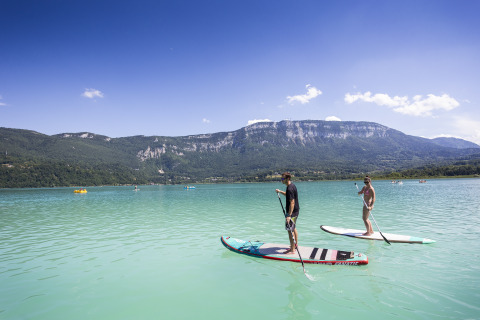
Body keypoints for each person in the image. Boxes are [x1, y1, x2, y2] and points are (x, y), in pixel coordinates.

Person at [275, 172, 300, 254]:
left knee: (290, 230)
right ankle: (295, 245)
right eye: (281, 178)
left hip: (292, 212)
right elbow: (289, 196)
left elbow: (292, 202)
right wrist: (280, 191)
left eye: (283, 178)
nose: (281, 180)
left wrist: (289, 215)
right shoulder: (292, 186)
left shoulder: (289, 188)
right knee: (294, 228)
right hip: (296, 211)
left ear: (288, 179)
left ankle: (292, 250)